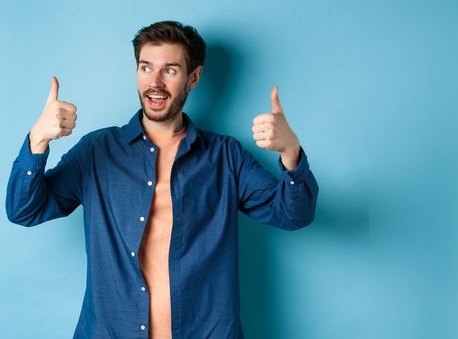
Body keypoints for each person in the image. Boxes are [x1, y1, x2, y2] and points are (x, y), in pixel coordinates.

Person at [5, 21, 319, 338]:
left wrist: (291, 153)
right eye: (145, 68)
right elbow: (24, 211)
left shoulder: (226, 156)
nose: (154, 83)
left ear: (193, 77)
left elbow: (293, 214)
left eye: (169, 70)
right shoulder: (97, 152)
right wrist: (38, 140)